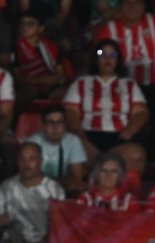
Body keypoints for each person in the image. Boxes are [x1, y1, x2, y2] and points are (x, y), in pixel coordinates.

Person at [63, 38, 149, 175]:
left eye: (112, 55)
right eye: (102, 54)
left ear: (118, 59)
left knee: (137, 155)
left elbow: (140, 113)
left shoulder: (129, 84)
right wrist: (80, 136)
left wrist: (128, 132)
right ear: (96, 58)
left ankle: (101, 168)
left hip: (120, 138)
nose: (107, 58)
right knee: (73, 147)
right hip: (87, 135)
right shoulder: (80, 82)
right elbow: (70, 112)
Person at [0, 142, 65, 243]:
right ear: (17, 161)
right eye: (22, 159)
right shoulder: (6, 187)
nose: (27, 164)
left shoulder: (55, 189)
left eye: (32, 159)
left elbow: (60, 226)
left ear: (41, 161)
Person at [96, 0, 155, 91]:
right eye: (127, 3)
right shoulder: (110, 28)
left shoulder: (154, 22)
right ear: (120, 7)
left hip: (153, 85)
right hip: (120, 86)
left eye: (137, 3)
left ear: (143, 6)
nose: (132, 7)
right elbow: (98, 53)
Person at [27, 104, 87, 192]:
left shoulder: (73, 141)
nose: (55, 127)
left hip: (64, 190)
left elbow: (76, 179)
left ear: (65, 125)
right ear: (43, 125)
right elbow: (29, 177)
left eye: (60, 122)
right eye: (50, 122)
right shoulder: (32, 142)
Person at [13, 10, 67, 101]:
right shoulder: (15, 47)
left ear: (41, 28)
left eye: (30, 24)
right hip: (29, 86)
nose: (25, 27)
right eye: (23, 24)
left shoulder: (51, 46)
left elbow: (60, 72)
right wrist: (42, 80)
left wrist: (59, 79)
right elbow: (17, 78)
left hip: (52, 86)